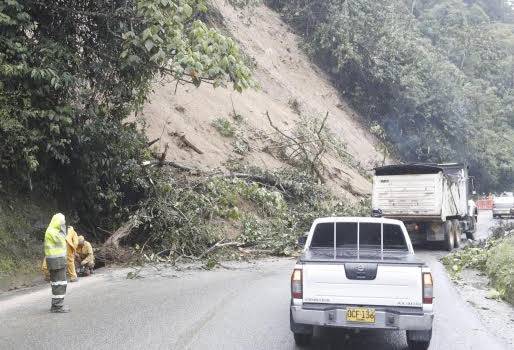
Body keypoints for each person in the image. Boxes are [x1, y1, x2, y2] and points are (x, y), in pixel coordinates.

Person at [44, 213, 70, 313]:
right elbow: (63, 239)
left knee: (58, 283)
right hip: (56, 262)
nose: (64, 225)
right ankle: (57, 306)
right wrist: (64, 230)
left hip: (57, 261)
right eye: (63, 223)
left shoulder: (52, 231)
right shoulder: (52, 232)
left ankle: (57, 305)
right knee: (59, 283)